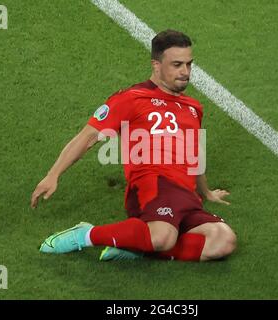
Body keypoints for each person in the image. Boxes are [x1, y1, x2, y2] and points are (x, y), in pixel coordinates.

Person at [30, 30, 237, 262]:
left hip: (186, 196)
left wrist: (206, 192)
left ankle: (135, 245)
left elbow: (193, 154)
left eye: (189, 64)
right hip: (153, 185)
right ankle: (85, 235)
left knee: (223, 240)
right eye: (177, 65)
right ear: (156, 65)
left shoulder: (193, 107)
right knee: (163, 237)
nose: (185, 72)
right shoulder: (131, 98)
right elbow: (87, 137)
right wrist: (53, 174)